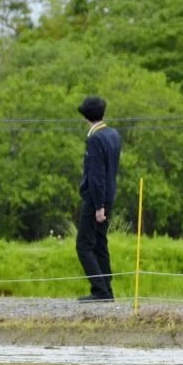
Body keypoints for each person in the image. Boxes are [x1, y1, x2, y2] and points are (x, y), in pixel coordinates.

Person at [76, 96, 121, 302]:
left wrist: (98, 206)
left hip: (96, 200)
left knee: (84, 245)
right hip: (109, 196)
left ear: (85, 116)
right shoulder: (113, 134)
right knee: (100, 243)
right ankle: (107, 289)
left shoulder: (95, 139)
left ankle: (100, 290)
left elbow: (96, 176)